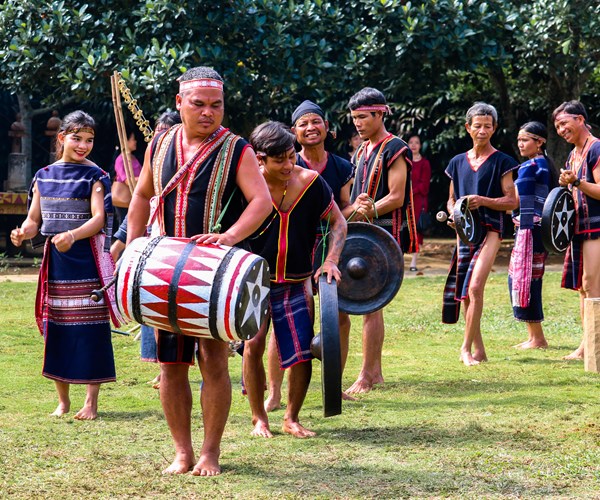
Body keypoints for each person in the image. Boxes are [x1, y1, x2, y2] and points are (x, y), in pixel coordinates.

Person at [126, 66, 271, 476]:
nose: (208, 113)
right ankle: (182, 451)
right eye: (199, 104)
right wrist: (133, 249)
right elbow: (141, 196)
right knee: (170, 365)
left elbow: (260, 201)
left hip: (213, 273)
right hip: (164, 270)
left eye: (216, 105)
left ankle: (210, 451)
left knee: (212, 360)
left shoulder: (237, 148)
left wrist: (228, 237)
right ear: (179, 103)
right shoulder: (161, 142)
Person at [10, 110, 120, 420]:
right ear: (62, 138)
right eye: (77, 138)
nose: (84, 145)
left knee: (91, 329)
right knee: (56, 327)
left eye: (89, 140)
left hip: (87, 261)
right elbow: (35, 220)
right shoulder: (43, 176)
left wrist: (72, 235)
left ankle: (91, 402)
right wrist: (22, 232)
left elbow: (98, 218)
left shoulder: (96, 175)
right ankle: (63, 401)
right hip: (57, 263)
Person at [242, 121, 347, 438]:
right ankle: (259, 418)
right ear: (259, 159)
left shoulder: (312, 183)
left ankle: (291, 418)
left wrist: (330, 260)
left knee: (302, 351)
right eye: (279, 160)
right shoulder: (246, 188)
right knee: (253, 345)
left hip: (297, 281)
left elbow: (338, 223)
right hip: (254, 280)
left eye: (291, 157)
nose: (289, 165)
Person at [264, 100, 359, 411]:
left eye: (316, 122)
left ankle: (334, 382)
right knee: (283, 323)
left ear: (326, 128)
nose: (310, 128)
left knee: (338, 317)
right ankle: (275, 392)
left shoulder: (340, 167)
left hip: (329, 246)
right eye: (303, 123)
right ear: (294, 133)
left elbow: (341, 213)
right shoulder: (286, 165)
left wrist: (359, 208)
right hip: (295, 248)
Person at [346, 87, 418, 394]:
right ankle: (371, 372)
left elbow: (397, 196)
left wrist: (370, 208)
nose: (358, 124)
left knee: (371, 306)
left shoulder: (395, 147)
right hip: (363, 232)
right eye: (354, 118)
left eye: (363, 117)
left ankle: (369, 374)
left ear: (380, 114)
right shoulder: (362, 151)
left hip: (382, 234)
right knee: (364, 304)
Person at [442, 102, 518, 366]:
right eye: (478, 126)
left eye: (488, 126)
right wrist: (454, 213)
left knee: (474, 287)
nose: (482, 130)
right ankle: (480, 350)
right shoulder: (456, 162)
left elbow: (512, 202)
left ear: (494, 128)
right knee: (465, 290)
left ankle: (464, 349)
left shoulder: (503, 161)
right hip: (464, 233)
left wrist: (482, 200)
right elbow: (451, 200)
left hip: (491, 231)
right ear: (468, 128)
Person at [110, 111, 182, 389]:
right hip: (152, 247)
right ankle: (163, 369)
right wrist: (123, 248)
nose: (160, 136)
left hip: (178, 248)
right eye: (157, 131)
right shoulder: (154, 163)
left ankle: (174, 369)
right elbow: (138, 208)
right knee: (154, 308)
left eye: (167, 131)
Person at [553, 100, 600, 360]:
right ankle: (587, 345)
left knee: (593, 287)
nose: (561, 130)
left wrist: (578, 182)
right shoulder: (574, 154)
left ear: (580, 119)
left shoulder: (596, 148)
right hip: (580, 228)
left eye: (564, 123)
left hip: (597, 226)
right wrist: (568, 182)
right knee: (583, 288)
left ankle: (593, 348)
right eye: (557, 126)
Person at [509, 122, 555, 349]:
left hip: (529, 230)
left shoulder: (529, 167)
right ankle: (533, 336)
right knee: (530, 279)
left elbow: (516, 201)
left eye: (525, 140)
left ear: (540, 142)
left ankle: (537, 338)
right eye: (519, 140)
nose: (520, 144)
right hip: (539, 230)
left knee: (525, 280)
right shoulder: (546, 165)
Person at [406, 133, 432, 271]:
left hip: (418, 201)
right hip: (404, 200)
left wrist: (411, 191)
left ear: (420, 145)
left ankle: (413, 263)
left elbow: (424, 186)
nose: (414, 145)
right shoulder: (405, 161)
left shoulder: (425, 163)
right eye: (411, 142)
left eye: (417, 142)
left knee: (417, 231)